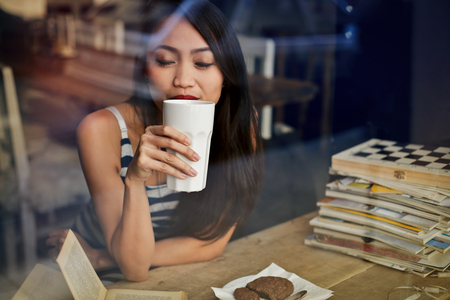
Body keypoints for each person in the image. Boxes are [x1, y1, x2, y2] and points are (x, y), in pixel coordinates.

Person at [46, 0, 263, 282]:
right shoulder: (101, 130)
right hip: (92, 277)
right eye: (164, 61)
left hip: (114, 260)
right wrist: (134, 180)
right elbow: (134, 270)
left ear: (225, 74)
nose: (184, 80)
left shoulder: (241, 125)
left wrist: (100, 256)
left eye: (203, 62)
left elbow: (211, 243)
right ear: (145, 70)